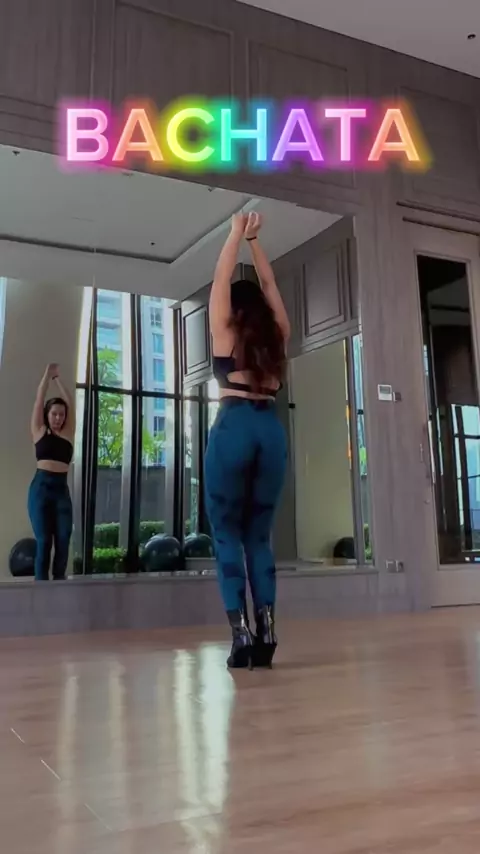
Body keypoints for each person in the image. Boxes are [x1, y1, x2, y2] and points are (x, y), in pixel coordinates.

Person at [205, 211, 290, 669]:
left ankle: (241, 635)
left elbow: (220, 279)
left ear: (234, 308)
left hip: (234, 426)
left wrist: (235, 234)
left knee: (226, 535)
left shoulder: (225, 331)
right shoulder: (278, 337)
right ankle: (268, 630)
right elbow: (270, 284)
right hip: (270, 429)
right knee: (259, 536)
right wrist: (255, 242)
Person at [29, 363, 75, 581]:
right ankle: (41, 588)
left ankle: (59, 583)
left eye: (61, 415)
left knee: (64, 538)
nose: (58, 418)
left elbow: (70, 402)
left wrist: (58, 380)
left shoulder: (68, 433)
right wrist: (47, 376)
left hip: (61, 490)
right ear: (47, 415)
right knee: (44, 541)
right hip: (41, 488)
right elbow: (39, 400)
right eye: (54, 414)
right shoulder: (39, 431)